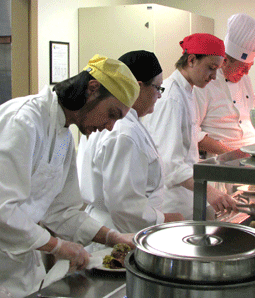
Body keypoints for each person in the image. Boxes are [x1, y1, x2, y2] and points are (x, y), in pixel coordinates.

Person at [0, 54, 140, 298]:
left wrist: (112, 237)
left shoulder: (63, 136)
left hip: (18, 268)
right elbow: (3, 209)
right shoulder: (24, 121)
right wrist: (57, 246)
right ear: (92, 89)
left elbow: (62, 211)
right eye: (112, 114)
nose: (109, 126)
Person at [77, 50, 185, 253]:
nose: (159, 95)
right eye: (157, 88)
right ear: (138, 86)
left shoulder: (121, 123)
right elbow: (124, 205)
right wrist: (164, 219)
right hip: (119, 234)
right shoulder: (123, 132)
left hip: (112, 229)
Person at [143, 33, 238, 220]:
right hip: (171, 200)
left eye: (217, 69)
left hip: (185, 197)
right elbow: (169, 162)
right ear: (192, 60)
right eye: (211, 68)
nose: (213, 76)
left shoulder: (187, 91)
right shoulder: (171, 97)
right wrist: (210, 191)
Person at [194, 13, 255, 156]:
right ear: (224, 61)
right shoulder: (204, 84)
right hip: (219, 163)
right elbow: (193, 134)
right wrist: (231, 154)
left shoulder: (245, 80)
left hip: (247, 159)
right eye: (242, 68)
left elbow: (254, 109)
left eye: (249, 67)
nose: (245, 73)